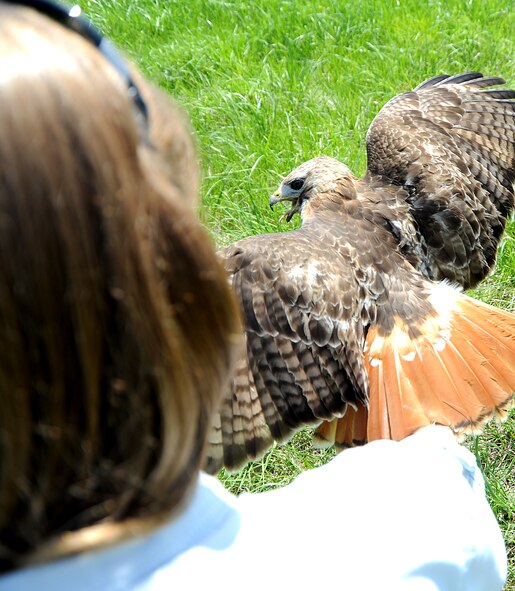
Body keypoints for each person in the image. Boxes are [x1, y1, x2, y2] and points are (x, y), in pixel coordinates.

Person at [0, 2, 508, 590]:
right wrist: (425, 456)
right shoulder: (428, 524)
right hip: (435, 322)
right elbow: (443, 519)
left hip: (405, 333)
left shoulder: (260, 266)